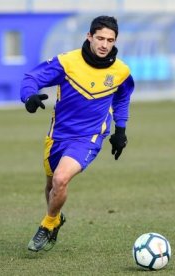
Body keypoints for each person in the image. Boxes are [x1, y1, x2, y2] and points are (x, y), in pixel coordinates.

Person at [20, 15, 135, 252]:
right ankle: (56, 217)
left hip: (89, 137)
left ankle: (47, 223)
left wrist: (120, 129)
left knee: (61, 179)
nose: (104, 45)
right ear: (89, 37)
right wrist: (29, 97)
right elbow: (32, 77)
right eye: (100, 38)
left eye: (110, 40)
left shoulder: (121, 71)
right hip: (58, 135)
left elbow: (123, 97)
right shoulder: (67, 62)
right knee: (52, 185)